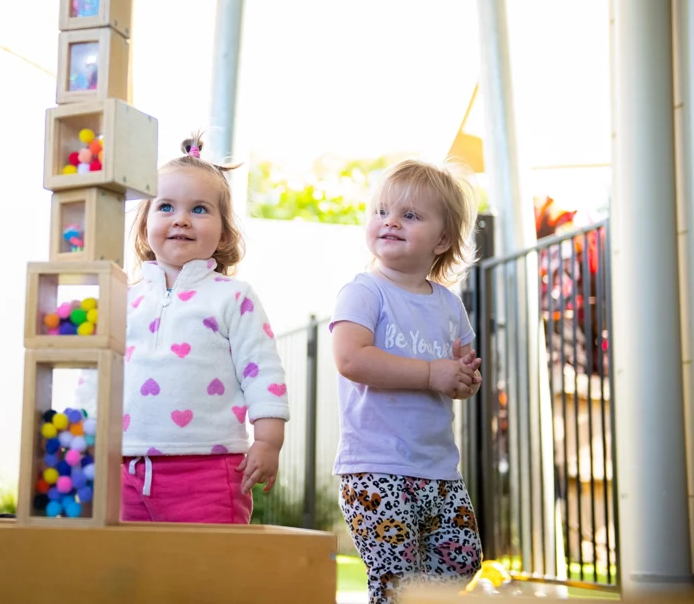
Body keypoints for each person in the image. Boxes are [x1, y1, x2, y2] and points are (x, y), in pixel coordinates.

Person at [329, 158, 484, 603]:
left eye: (410, 215)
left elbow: (462, 369)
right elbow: (351, 358)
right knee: (396, 578)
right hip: (375, 468)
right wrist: (432, 373)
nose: (390, 221)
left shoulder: (450, 306)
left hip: (438, 469)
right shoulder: (364, 291)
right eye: (381, 211)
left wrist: (463, 380)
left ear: (443, 240)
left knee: (462, 559)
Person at [117, 131, 290, 523]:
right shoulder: (123, 298)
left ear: (224, 231)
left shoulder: (234, 297)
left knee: (210, 576)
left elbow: (262, 372)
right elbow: (98, 374)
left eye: (199, 209)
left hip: (211, 471)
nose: (181, 218)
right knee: (130, 578)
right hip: (124, 468)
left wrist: (267, 441)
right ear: (144, 224)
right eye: (165, 207)